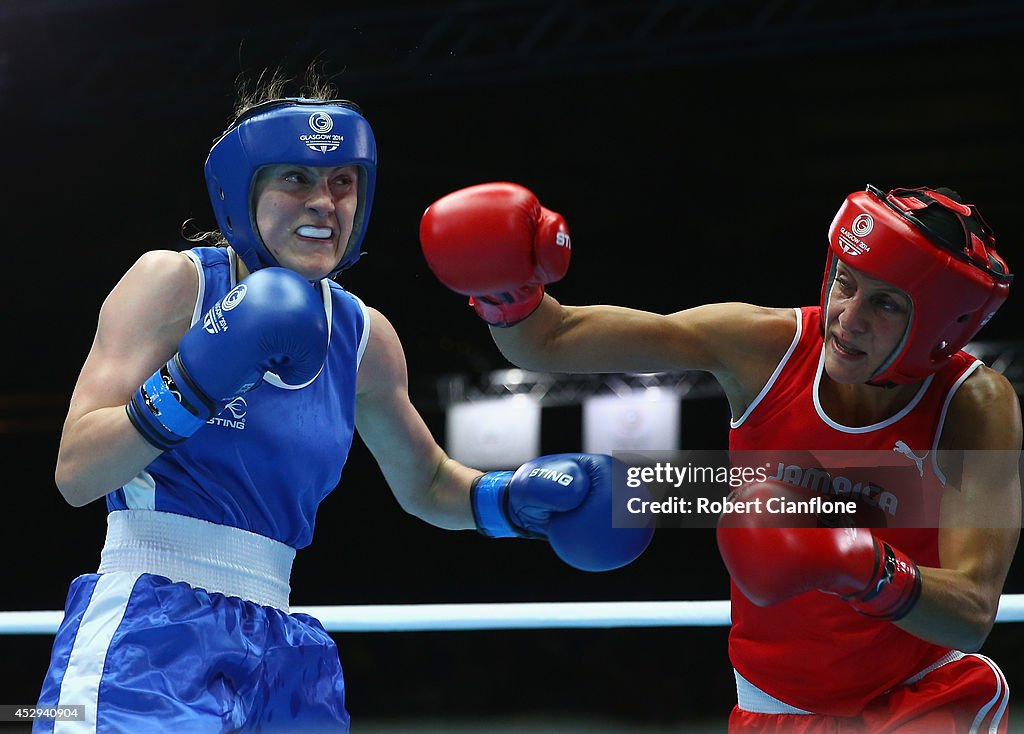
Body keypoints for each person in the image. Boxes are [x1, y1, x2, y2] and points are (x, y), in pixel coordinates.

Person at [35, 74, 653, 734]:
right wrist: (195, 382)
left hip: (282, 643)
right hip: (147, 628)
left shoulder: (365, 337)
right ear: (242, 193)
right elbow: (76, 473)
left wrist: (514, 501)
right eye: (296, 178)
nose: (325, 202)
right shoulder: (174, 284)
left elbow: (430, 482)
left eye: (343, 181)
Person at [420, 181, 1021, 731]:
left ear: (944, 326)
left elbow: (971, 610)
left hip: (921, 700)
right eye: (845, 280)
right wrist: (506, 292)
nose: (849, 318)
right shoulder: (763, 347)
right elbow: (551, 340)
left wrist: (860, 564)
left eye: (887, 304)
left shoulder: (976, 406)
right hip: (770, 711)